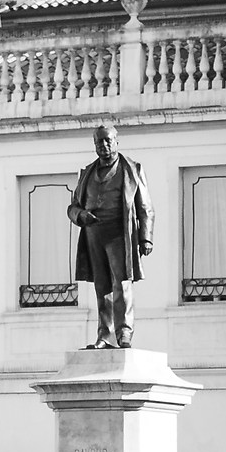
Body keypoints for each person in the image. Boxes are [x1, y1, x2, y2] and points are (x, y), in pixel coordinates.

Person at [67, 124, 153, 349]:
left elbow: (144, 206)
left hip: (120, 233)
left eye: (108, 140)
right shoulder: (87, 173)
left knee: (122, 283)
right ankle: (105, 335)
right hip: (94, 234)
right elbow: (73, 207)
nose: (104, 145)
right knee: (102, 287)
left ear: (116, 141)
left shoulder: (132, 169)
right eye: (99, 142)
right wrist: (81, 215)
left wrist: (145, 237)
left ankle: (124, 332)